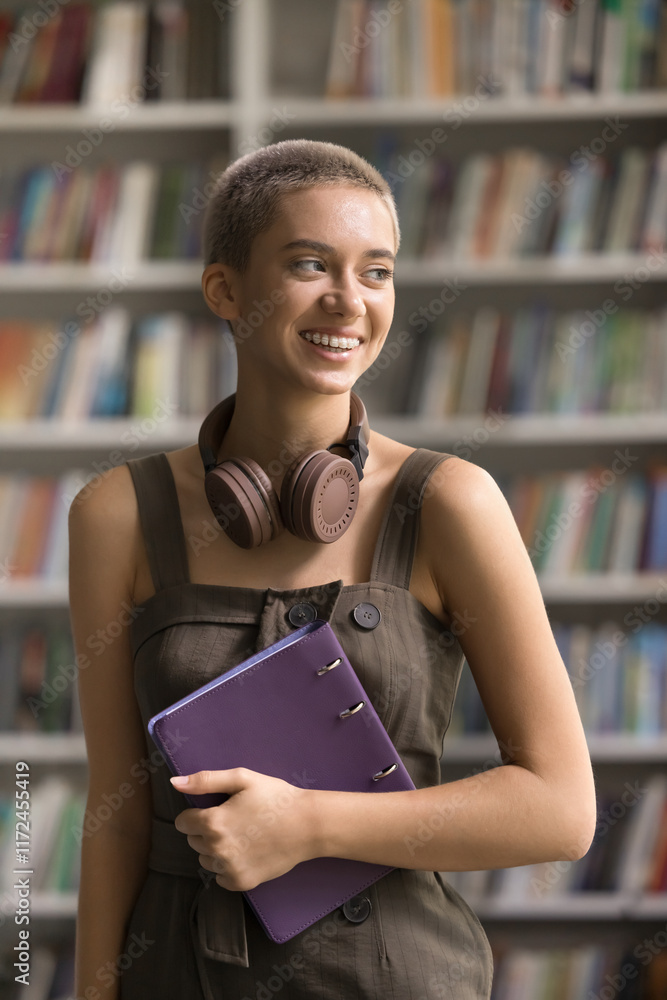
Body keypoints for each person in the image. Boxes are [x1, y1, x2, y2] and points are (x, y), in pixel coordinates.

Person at [68, 138, 597, 1000]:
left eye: (376, 271)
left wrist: (306, 825)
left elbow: (561, 810)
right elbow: (117, 813)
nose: (349, 301)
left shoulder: (449, 503)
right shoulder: (116, 515)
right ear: (225, 289)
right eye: (312, 263)